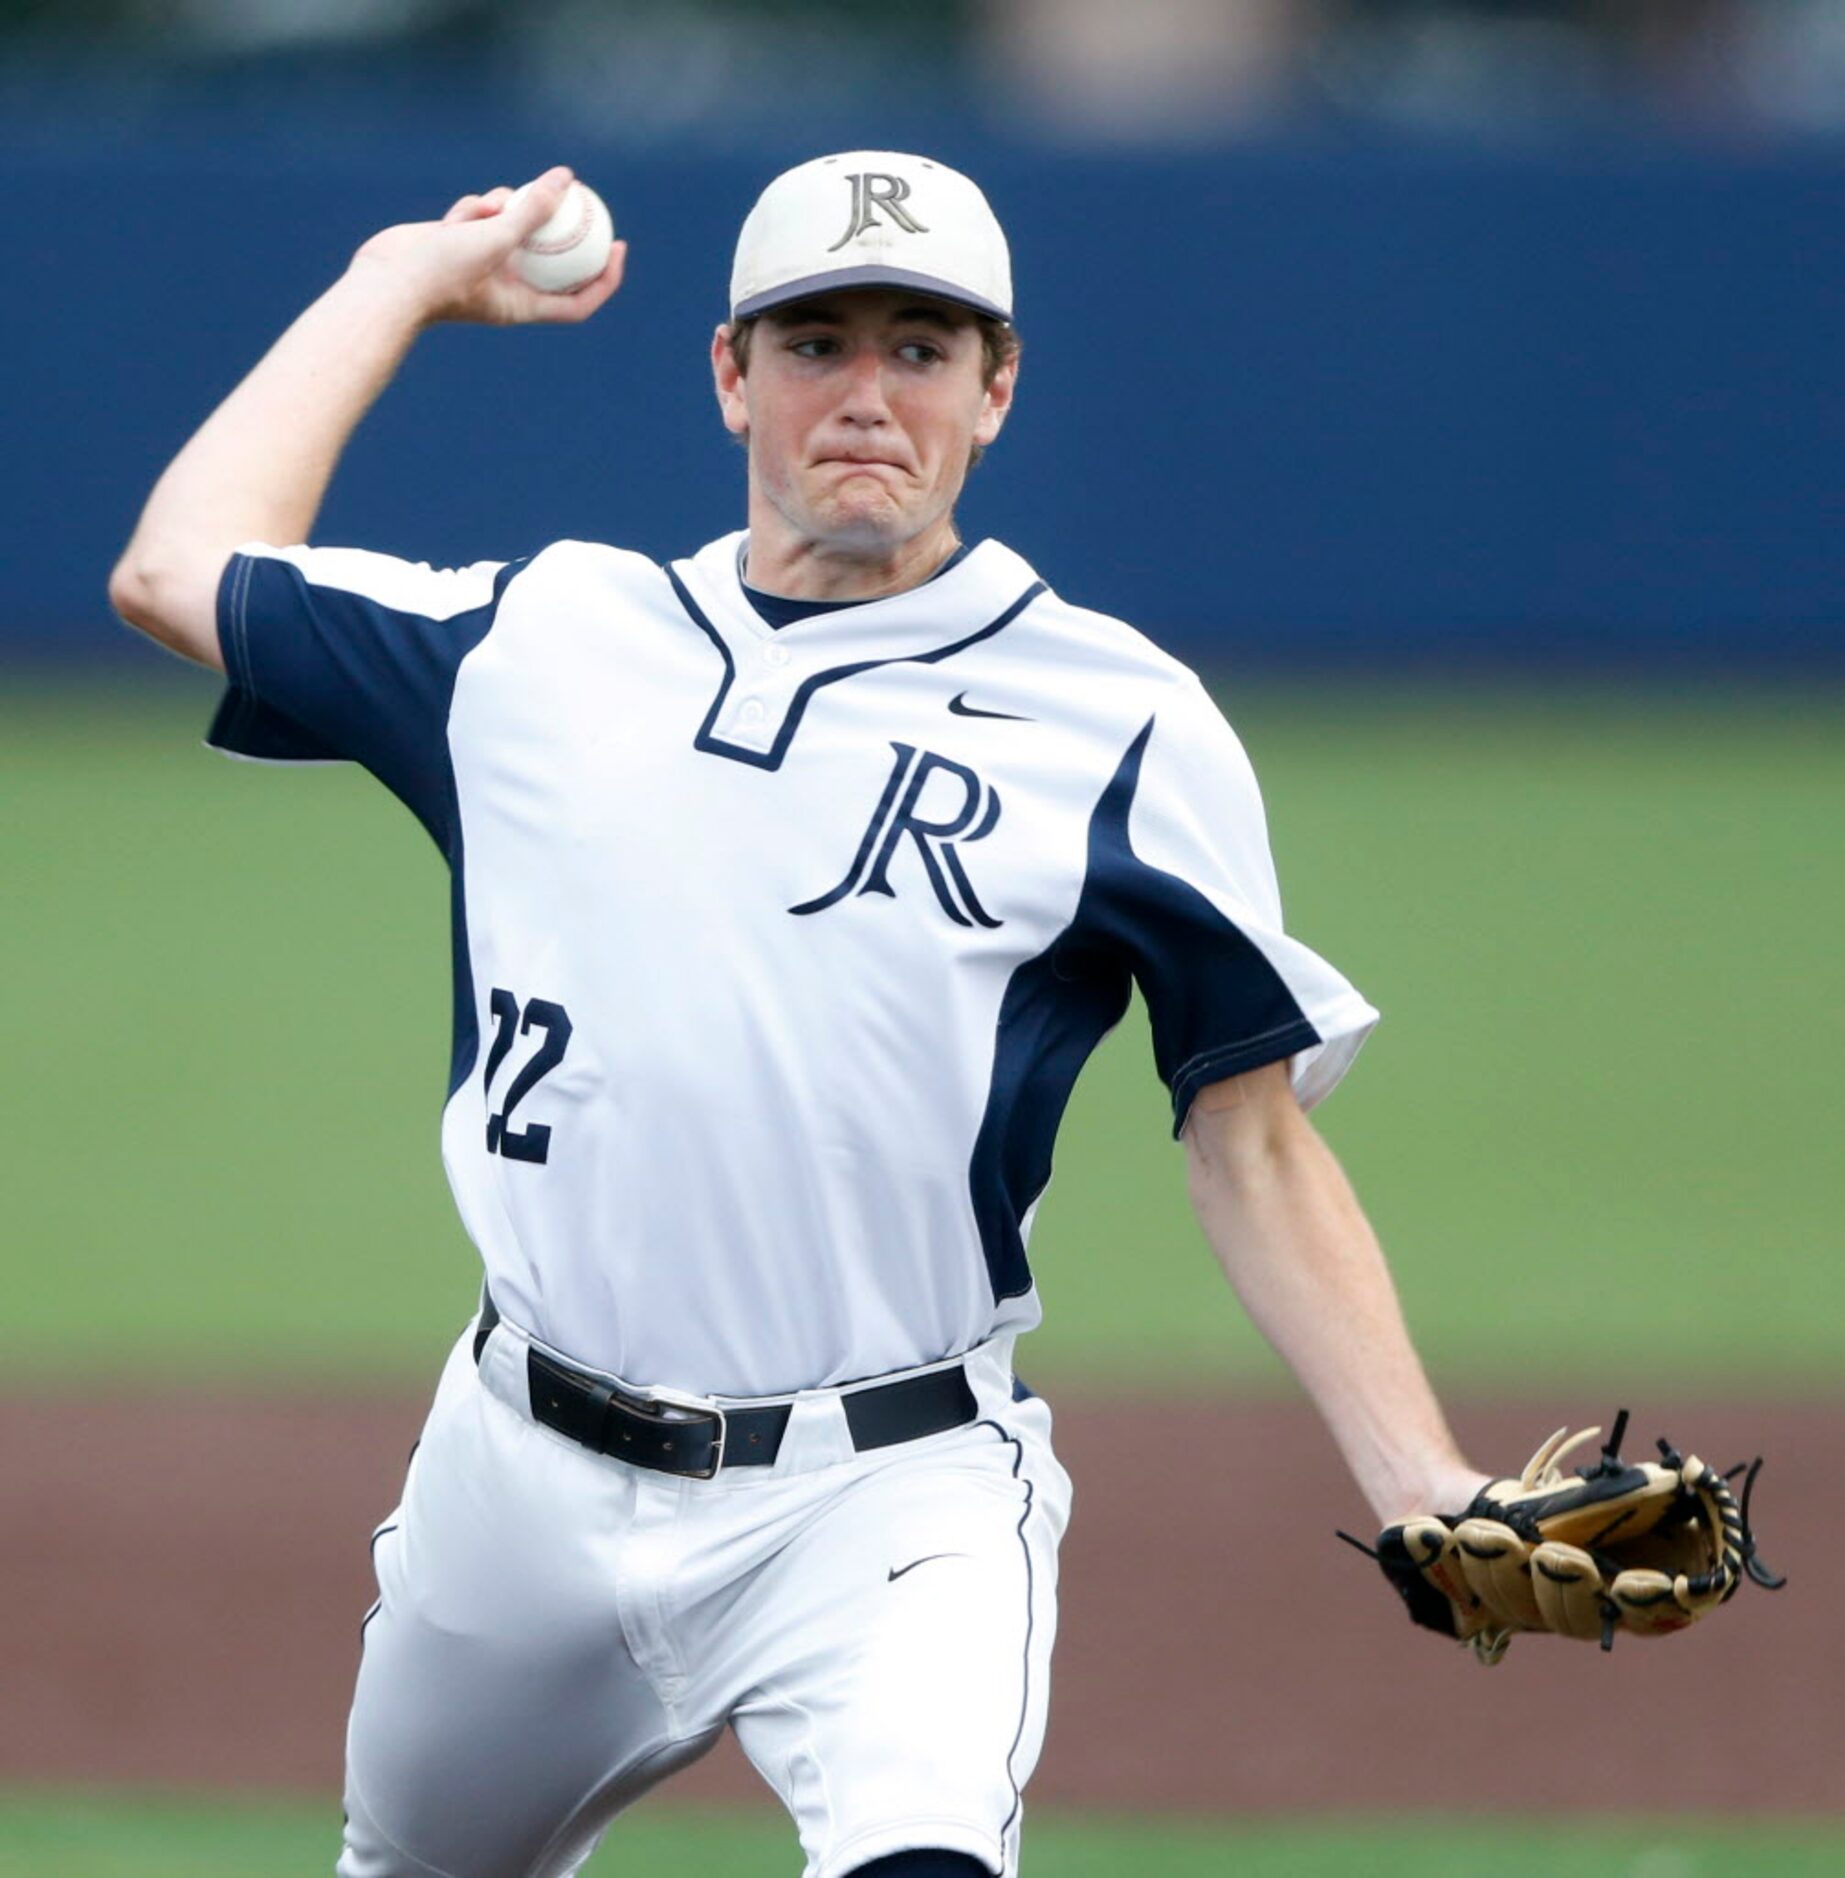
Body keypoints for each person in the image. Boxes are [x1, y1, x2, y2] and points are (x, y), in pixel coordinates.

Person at [110, 151, 1489, 1878]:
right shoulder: (539, 641)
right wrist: (397, 275)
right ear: (727, 376)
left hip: (883, 1492)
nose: (863, 392)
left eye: (920, 347)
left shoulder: (1122, 723)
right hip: (518, 1482)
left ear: (996, 388)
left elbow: (1253, 1135)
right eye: (814, 340)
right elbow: (178, 573)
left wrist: (1419, 1476)